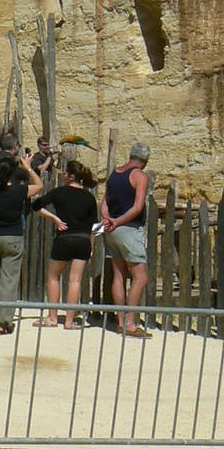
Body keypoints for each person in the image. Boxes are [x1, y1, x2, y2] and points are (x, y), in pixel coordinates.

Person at [0, 150, 43, 333]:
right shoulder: (19, 190)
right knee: (9, 281)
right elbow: (39, 186)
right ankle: (3, 323)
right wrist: (28, 168)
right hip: (13, 236)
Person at [33, 159, 98, 328]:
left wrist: (54, 218)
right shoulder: (89, 197)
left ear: (70, 176)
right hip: (83, 240)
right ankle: (69, 321)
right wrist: (92, 245)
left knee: (54, 276)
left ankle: (53, 317)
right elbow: (94, 226)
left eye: (64, 172)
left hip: (64, 238)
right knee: (75, 281)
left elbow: (36, 205)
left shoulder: (59, 192)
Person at [102, 143, 152, 338]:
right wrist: (117, 221)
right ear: (145, 161)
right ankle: (130, 324)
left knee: (119, 275)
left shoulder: (114, 174)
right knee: (141, 276)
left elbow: (105, 203)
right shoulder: (139, 176)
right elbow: (137, 207)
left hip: (112, 231)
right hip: (128, 230)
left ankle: (121, 321)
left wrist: (107, 219)